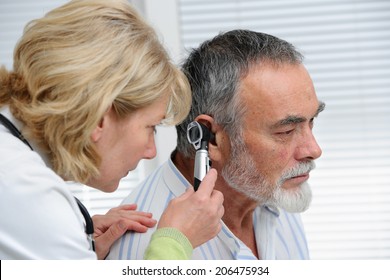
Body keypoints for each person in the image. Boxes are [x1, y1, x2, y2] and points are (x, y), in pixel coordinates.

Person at [0, 0, 224, 260]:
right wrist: (175, 241)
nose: (151, 152)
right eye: (150, 127)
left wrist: (75, 245)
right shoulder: (33, 198)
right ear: (97, 119)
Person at [108, 29, 325, 260]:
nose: (313, 150)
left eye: (311, 121)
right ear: (211, 137)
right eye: (286, 131)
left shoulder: (273, 189)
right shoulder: (141, 246)